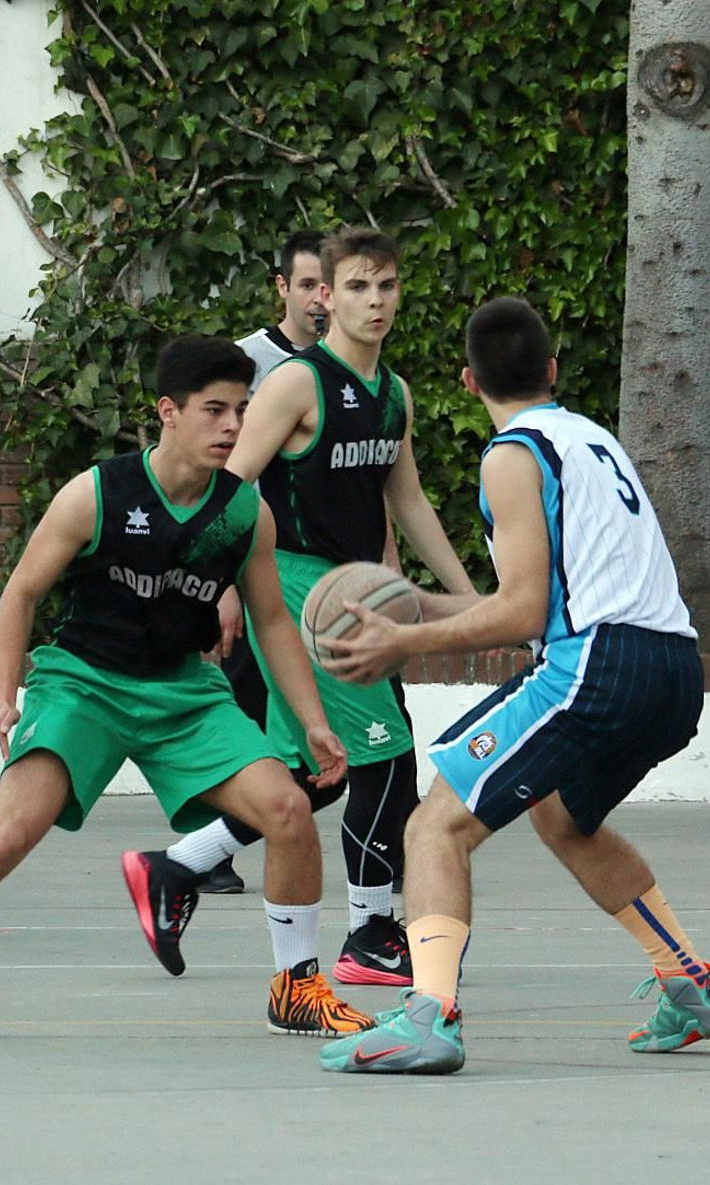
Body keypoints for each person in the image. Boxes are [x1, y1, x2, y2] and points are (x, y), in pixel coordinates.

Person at [0, 336, 374, 1044]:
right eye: (215, 411)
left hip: (183, 693)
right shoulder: (98, 493)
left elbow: (269, 619)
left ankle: (297, 988)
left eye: (242, 410)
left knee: (289, 810)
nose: (233, 427)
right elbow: (19, 594)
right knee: (6, 838)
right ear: (168, 412)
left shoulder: (243, 514)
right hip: (83, 684)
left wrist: (313, 721)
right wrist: (1, 698)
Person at [319, 296, 710, 1074]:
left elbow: (523, 610)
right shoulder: (589, 440)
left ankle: (430, 1016)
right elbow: (537, 609)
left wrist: (405, 640)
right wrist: (420, 604)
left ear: (466, 381)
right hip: (673, 669)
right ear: (551, 371)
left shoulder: (512, 454)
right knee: (562, 817)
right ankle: (691, 984)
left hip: (598, 666)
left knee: (434, 826)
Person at [125, 227, 476, 989]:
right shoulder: (295, 384)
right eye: (355, 287)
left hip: (353, 587)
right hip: (300, 588)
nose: (373, 301)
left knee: (318, 772)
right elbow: (231, 485)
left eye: (385, 287)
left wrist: (475, 597)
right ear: (324, 295)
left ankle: (177, 867)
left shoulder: (395, 395)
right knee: (388, 756)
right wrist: (216, 586)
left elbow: (407, 500)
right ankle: (369, 932)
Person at [194, 230, 328, 896]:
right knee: (243, 704)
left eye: (328, 283)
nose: (319, 298)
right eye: (306, 285)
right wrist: (219, 579)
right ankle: (208, 844)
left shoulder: (354, 365)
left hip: (321, 575)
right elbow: (221, 475)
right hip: (255, 568)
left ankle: (388, 834)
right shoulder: (248, 363)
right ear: (283, 288)